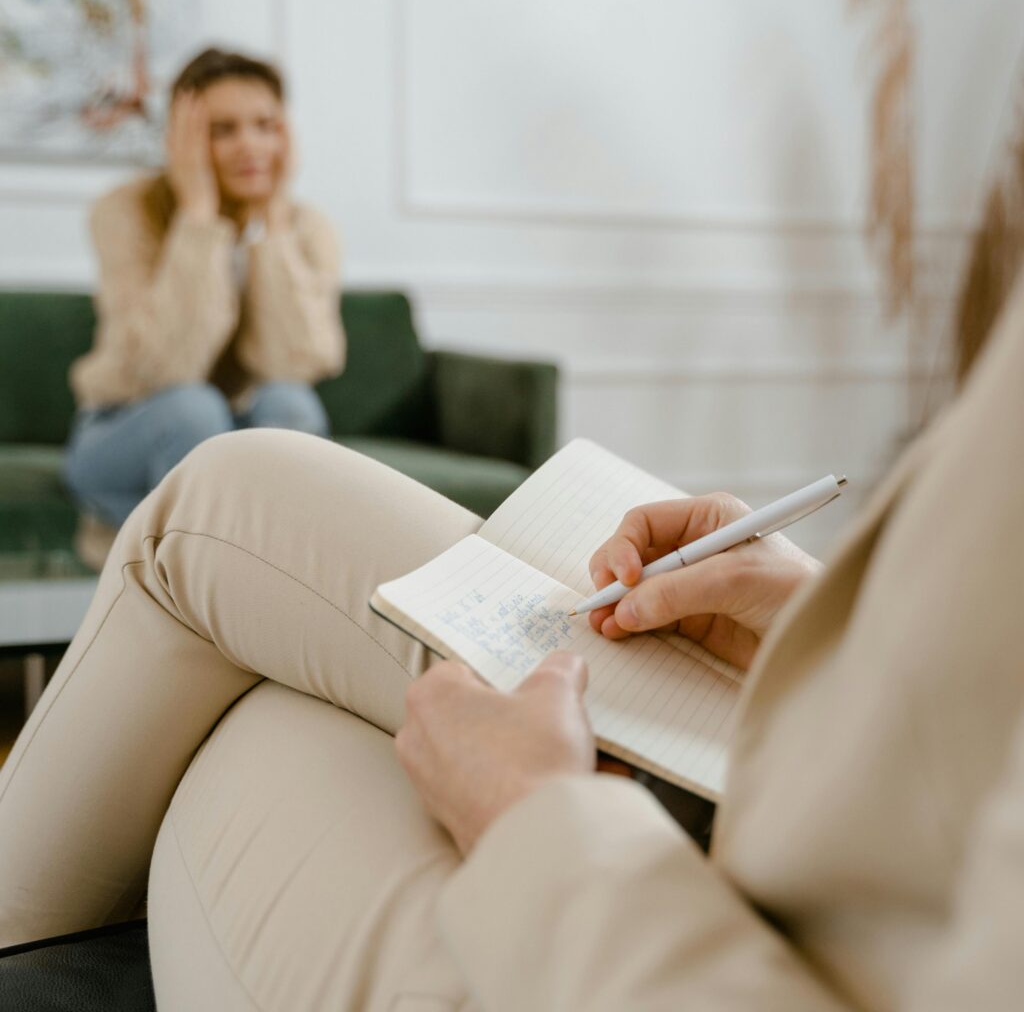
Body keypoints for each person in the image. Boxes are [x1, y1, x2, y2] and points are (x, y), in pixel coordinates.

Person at [1, 277, 1022, 1005]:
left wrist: (536, 817)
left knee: (259, 702)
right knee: (227, 490)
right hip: (791, 821)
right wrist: (810, 630)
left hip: (652, 951)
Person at [64, 48, 345, 529]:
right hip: (124, 427)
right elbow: (167, 368)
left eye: (265, 126)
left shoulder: (307, 226)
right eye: (224, 130)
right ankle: (220, 572)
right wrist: (197, 218)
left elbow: (298, 362)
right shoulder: (125, 211)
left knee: (291, 403)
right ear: (182, 139)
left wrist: (273, 223)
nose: (251, 146)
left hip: (239, 429)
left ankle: (243, 568)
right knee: (193, 409)